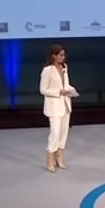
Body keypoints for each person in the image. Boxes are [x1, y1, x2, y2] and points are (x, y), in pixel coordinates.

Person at [39, 44, 77, 173]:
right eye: (60, 55)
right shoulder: (47, 70)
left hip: (65, 104)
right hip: (54, 106)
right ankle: (50, 159)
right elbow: (43, 90)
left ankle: (59, 157)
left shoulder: (65, 67)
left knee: (63, 133)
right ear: (53, 56)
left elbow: (66, 84)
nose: (63, 57)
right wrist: (58, 92)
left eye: (64, 55)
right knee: (55, 132)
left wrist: (71, 90)